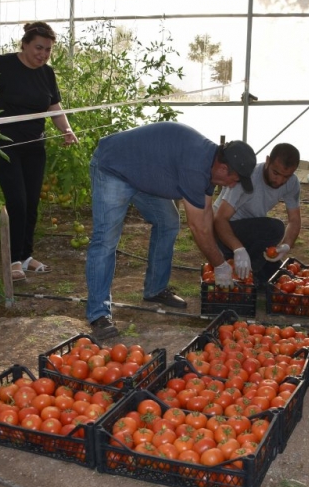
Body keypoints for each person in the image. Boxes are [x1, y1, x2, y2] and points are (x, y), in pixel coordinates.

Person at [85, 121, 256, 340]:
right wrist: (220, 264)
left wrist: (231, 253)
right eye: (234, 180)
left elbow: (205, 216)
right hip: (115, 167)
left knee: (168, 222)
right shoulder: (196, 165)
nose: (232, 186)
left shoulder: (210, 165)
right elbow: (197, 227)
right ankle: (98, 314)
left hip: (142, 172)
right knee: (106, 240)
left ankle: (155, 289)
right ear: (223, 168)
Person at [0, 21, 78, 283]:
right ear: (24, 44)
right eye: (38, 48)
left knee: (32, 202)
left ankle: (25, 256)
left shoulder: (47, 73)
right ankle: (12, 260)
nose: (43, 54)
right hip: (3, 145)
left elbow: (54, 106)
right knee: (17, 201)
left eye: (48, 50)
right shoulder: (1, 64)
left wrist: (66, 129)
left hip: (35, 146)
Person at [213, 143, 301, 285]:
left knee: (276, 276)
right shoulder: (248, 177)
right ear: (267, 161)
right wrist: (238, 249)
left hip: (250, 235)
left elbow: (294, 220)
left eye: (286, 176)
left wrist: (286, 245)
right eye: (276, 173)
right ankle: (247, 274)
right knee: (275, 228)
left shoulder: (292, 183)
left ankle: (249, 271)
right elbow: (219, 219)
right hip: (223, 234)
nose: (279, 180)